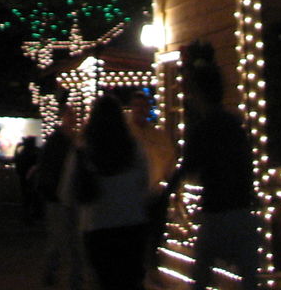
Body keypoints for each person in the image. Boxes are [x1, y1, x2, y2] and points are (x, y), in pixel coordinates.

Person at [168, 64, 259, 290]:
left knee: (201, 275)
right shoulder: (235, 125)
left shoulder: (202, 129)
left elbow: (187, 166)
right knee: (249, 278)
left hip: (216, 211)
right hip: (241, 209)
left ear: (200, 94)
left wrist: (164, 193)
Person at [65, 94, 150, 290]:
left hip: (97, 226)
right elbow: (144, 183)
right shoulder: (134, 147)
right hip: (132, 223)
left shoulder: (83, 150)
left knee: (105, 281)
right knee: (131, 281)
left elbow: (68, 192)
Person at [127, 90, 178, 284]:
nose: (140, 110)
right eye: (137, 106)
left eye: (143, 106)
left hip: (155, 194)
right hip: (132, 196)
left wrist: (167, 186)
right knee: (136, 237)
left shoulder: (157, 135)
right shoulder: (127, 135)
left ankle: (152, 267)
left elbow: (170, 161)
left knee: (154, 234)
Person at [35, 104, 85, 290]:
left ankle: (73, 278)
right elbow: (49, 167)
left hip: (71, 196)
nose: (72, 119)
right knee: (59, 238)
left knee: (74, 241)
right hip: (57, 196)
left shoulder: (76, 140)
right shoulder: (58, 141)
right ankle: (53, 270)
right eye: (69, 115)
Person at [14, 134, 43, 223]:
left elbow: (17, 163)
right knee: (33, 198)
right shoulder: (36, 153)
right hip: (33, 180)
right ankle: (34, 216)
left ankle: (27, 217)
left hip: (24, 179)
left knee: (26, 199)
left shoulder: (23, 153)